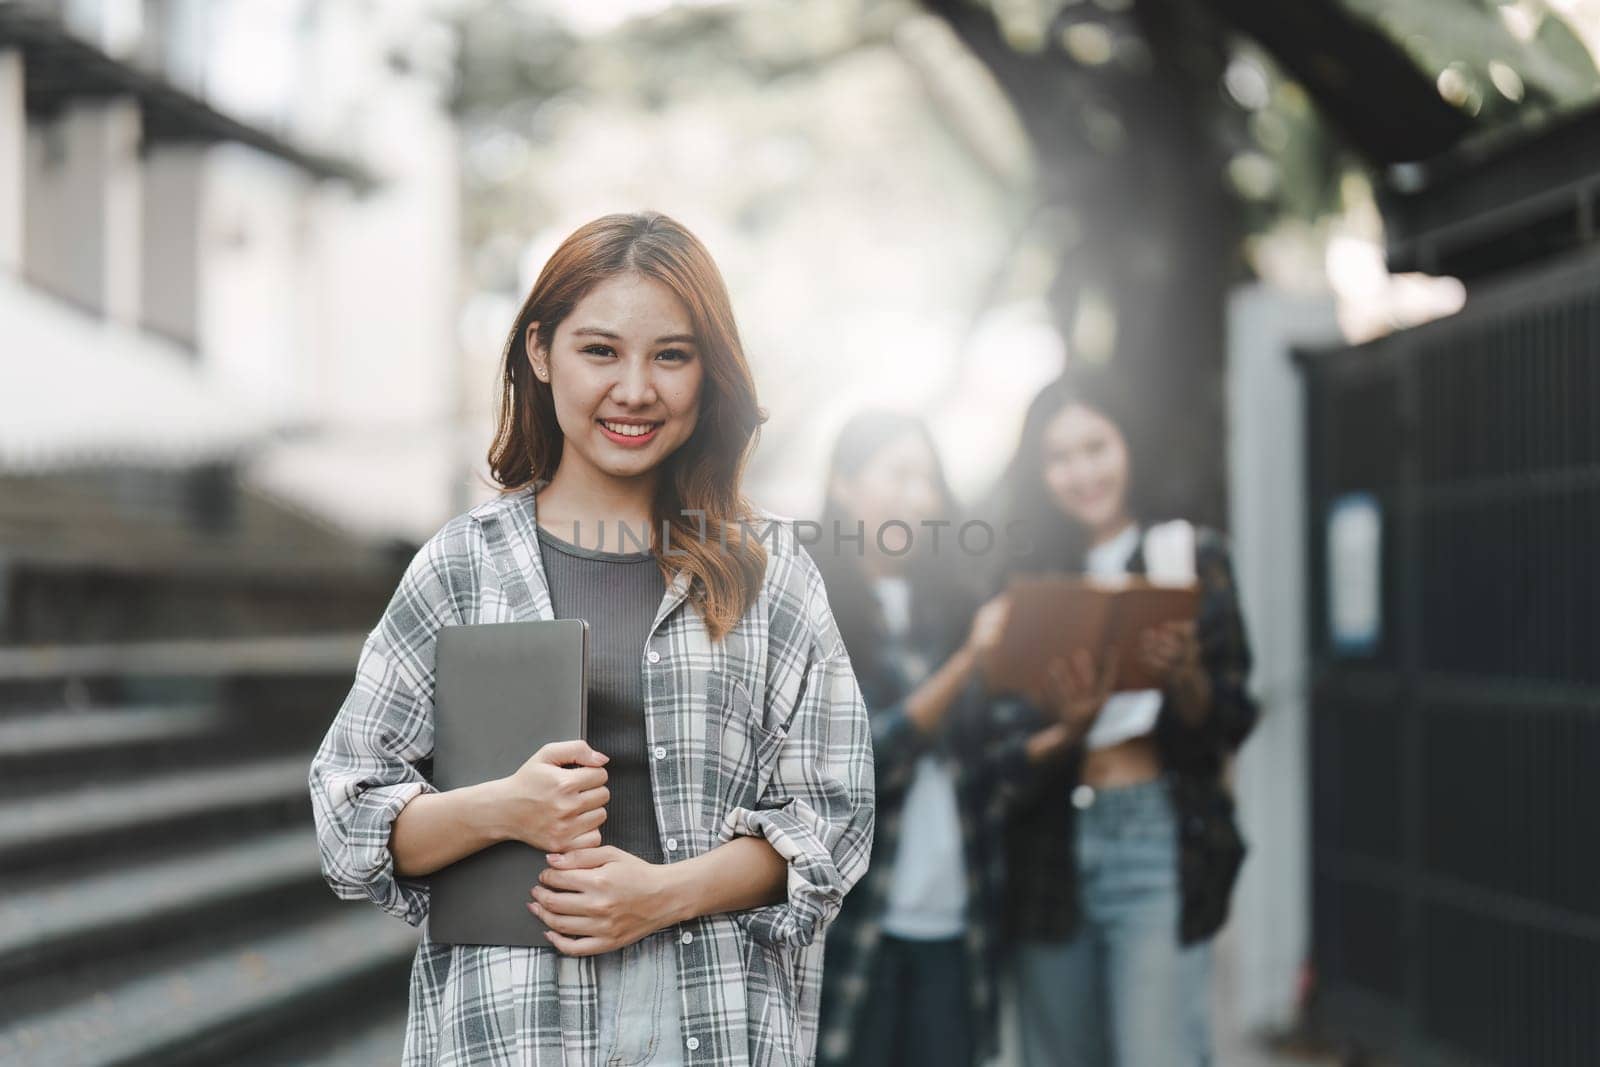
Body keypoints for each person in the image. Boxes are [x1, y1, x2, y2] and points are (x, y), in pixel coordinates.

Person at [307, 211, 876, 1066]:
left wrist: (660, 894)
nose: (636, 389)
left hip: (707, 1016)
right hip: (512, 1020)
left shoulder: (769, 573)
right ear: (541, 353)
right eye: (601, 350)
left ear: (707, 371)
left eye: (672, 355)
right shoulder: (462, 567)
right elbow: (347, 814)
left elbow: (833, 817)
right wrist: (500, 807)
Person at [992, 366, 1258, 1067]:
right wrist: (1064, 728)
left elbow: (1230, 716)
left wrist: (1188, 678)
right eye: (1059, 457)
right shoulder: (1024, 575)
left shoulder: (1191, 555)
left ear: (1129, 443)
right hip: (1049, 846)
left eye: (1097, 446)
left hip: (1154, 834)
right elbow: (994, 741)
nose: (1082, 472)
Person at [809, 411, 1081, 1067]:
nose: (916, 495)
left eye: (927, 479)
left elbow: (992, 773)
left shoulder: (959, 606)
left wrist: (1071, 726)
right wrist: (966, 664)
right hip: (856, 928)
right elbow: (856, 764)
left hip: (959, 926)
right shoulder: (808, 608)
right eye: (897, 473)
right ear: (844, 485)